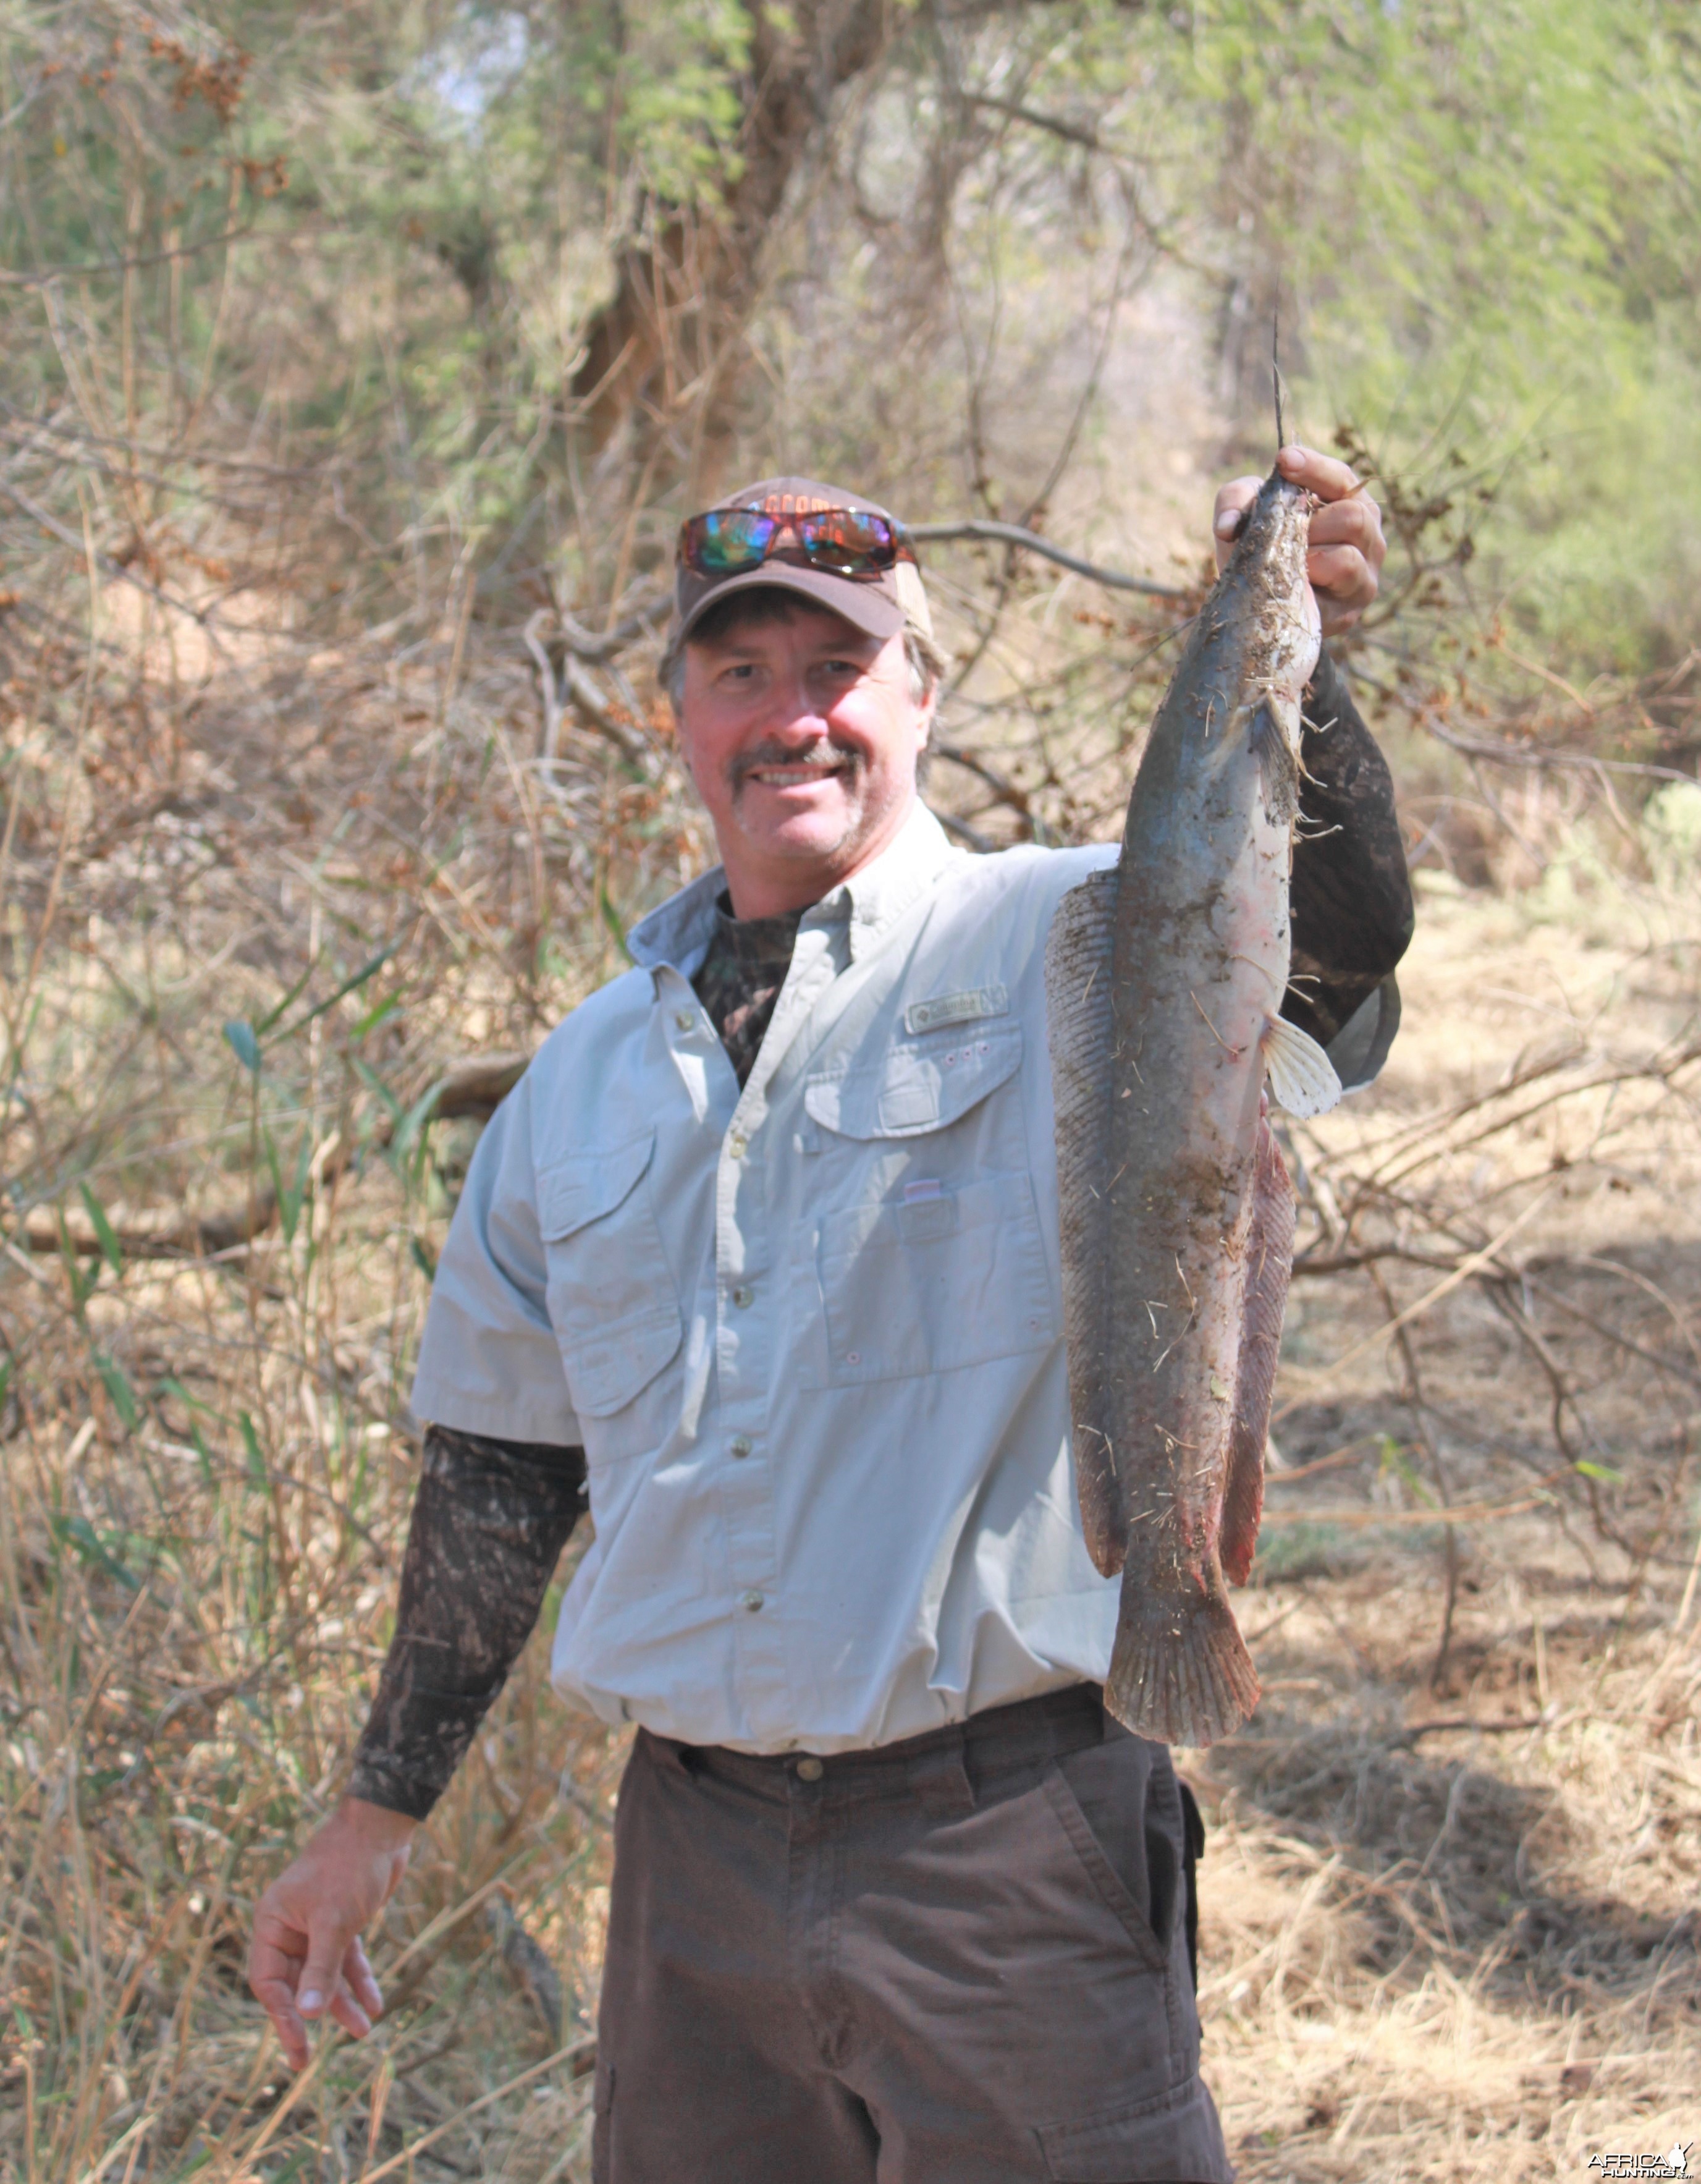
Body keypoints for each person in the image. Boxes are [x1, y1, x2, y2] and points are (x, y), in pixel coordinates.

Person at [248, 452, 1411, 2182]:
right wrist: (373, 1814)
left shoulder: (1066, 934)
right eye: (741, 673)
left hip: (1007, 1845)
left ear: (920, 697)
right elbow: (499, 1476)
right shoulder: (573, 1086)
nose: (791, 719)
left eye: (837, 669)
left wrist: (1299, 668)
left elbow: (1320, 943)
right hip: (691, 1874)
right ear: (678, 717)